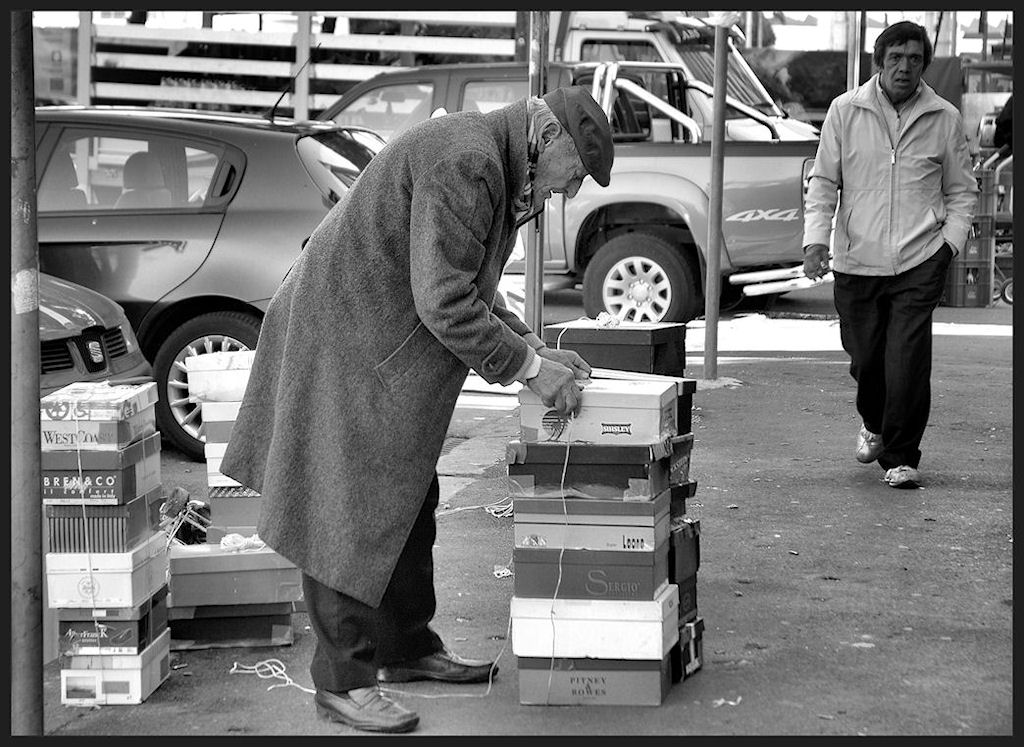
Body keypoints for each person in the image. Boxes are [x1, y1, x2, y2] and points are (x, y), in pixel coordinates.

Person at [219, 86, 614, 733]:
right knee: (346, 505)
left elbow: (471, 281)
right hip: (345, 337)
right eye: (567, 182)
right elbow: (446, 300)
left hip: (372, 336)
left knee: (406, 494)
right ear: (547, 142)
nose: (560, 198)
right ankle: (343, 680)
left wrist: (536, 347)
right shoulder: (471, 161)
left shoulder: (499, 163)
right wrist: (531, 370)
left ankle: (406, 646)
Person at [802, 21, 978, 490]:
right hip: (857, 262)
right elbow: (823, 182)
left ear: (925, 64)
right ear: (878, 62)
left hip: (921, 260)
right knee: (865, 361)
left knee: (907, 363)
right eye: (895, 58)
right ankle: (875, 423)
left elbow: (962, 192)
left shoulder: (944, 118)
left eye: (915, 59)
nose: (905, 67)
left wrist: (949, 245)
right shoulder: (845, 111)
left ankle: (901, 454)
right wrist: (816, 240)